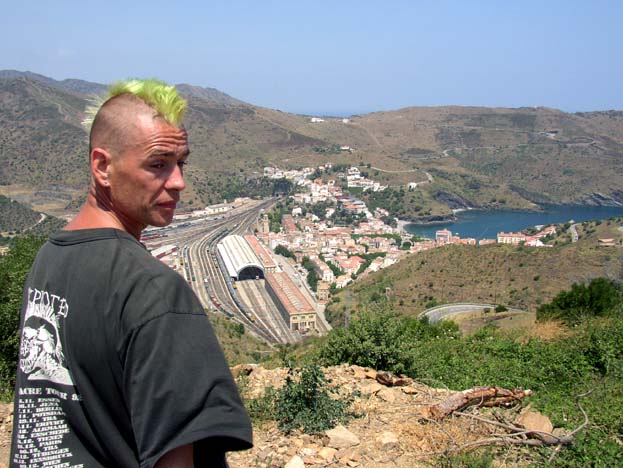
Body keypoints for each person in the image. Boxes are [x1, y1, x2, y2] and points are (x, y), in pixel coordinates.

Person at [10, 79, 253, 467]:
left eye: (181, 163)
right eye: (158, 165)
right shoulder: (153, 290)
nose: (178, 182)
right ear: (103, 166)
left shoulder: (48, 260)